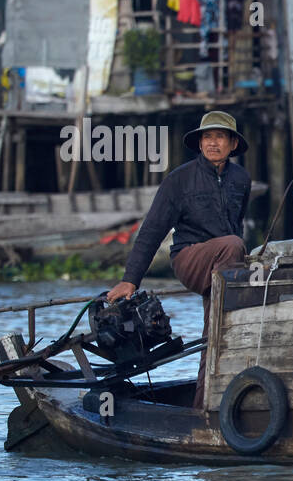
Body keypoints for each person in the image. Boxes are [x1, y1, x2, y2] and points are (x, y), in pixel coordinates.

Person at [105, 110, 251, 407]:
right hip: (190, 259)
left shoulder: (241, 179)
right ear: (199, 143)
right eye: (207, 137)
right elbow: (152, 231)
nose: (213, 143)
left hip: (225, 266)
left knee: (216, 335)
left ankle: (203, 406)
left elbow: (236, 222)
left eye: (220, 137)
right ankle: (227, 306)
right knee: (235, 245)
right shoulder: (179, 180)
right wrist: (129, 280)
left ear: (233, 144)